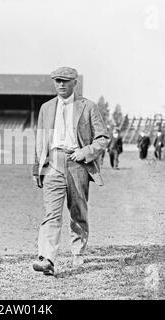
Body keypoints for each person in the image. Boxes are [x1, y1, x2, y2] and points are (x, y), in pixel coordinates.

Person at [32, 66, 109, 275]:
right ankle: (47, 258)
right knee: (51, 213)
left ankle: (78, 252)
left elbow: (103, 138)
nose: (61, 84)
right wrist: (35, 168)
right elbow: (40, 140)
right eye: (57, 80)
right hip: (53, 164)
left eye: (66, 81)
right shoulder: (46, 108)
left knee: (78, 209)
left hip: (78, 163)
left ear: (75, 83)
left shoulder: (88, 107)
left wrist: (86, 152)